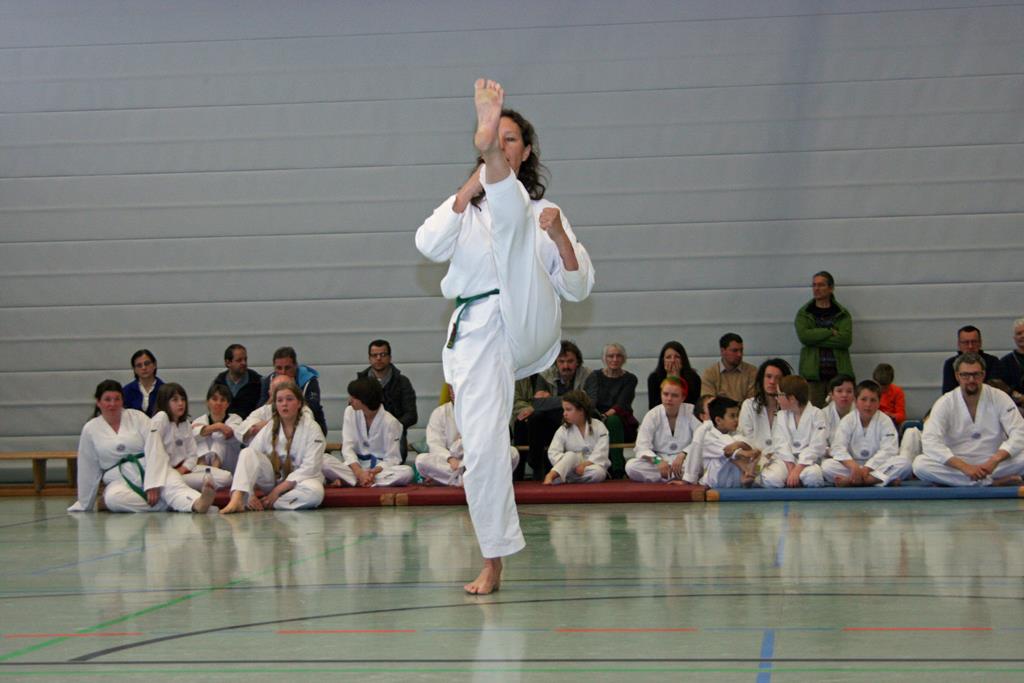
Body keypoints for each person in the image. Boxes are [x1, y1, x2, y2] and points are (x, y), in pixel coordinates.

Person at [414, 79, 594, 594]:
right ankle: (492, 557)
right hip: (479, 327)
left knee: (517, 222)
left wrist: (557, 236)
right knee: (483, 447)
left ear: (527, 150)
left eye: (508, 139)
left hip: (530, 314)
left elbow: (579, 287)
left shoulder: (543, 212)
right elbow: (427, 245)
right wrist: (467, 191)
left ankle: (493, 165)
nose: (505, 143)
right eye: (496, 139)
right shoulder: (465, 210)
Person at [68, 380, 215, 513]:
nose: (113, 404)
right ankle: (170, 504)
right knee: (113, 498)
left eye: (117, 399)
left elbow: (154, 446)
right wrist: (85, 502)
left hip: (149, 466)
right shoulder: (91, 429)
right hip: (119, 477)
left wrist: (153, 482)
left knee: (171, 484)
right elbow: (88, 466)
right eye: (107, 399)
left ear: (122, 400)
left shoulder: (137, 418)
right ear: (98, 402)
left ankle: (197, 503)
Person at [914, 353, 1024, 486]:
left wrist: (995, 459)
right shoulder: (945, 402)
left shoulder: (999, 397)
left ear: (983, 375)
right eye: (965, 375)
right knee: (920, 465)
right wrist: (964, 467)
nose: (971, 380)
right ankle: (990, 482)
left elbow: (1019, 432)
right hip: (958, 464)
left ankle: (966, 482)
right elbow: (930, 441)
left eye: (976, 374)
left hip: (994, 463)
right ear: (957, 376)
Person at [221, 380, 326, 513]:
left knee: (315, 493)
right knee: (247, 452)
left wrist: (277, 492)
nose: (284, 404)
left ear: (299, 403)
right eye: (280, 400)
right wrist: (251, 494)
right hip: (273, 479)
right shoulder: (270, 427)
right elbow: (251, 459)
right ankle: (237, 500)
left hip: (300, 481)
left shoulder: (312, 428)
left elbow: (310, 468)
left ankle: (271, 503)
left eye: (289, 399)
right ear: (275, 405)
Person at [416, 385, 519, 487]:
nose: (455, 392)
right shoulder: (439, 413)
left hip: (479, 461)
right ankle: (472, 479)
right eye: (452, 388)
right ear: (450, 391)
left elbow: (491, 442)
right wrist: (450, 458)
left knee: (512, 453)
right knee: (421, 460)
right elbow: (434, 444)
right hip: (452, 464)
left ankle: (457, 479)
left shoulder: (483, 411)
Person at [326, 378, 414, 488]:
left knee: (407, 472)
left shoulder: (391, 423)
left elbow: (392, 458)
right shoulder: (350, 412)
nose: (350, 400)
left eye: (354, 397)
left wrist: (373, 472)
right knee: (324, 460)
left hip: (378, 471)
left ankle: (357, 480)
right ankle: (362, 480)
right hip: (355, 467)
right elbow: (347, 448)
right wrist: (359, 472)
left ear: (365, 399)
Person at [823, 380, 910, 486]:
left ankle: (853, 481)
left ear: (879, 402)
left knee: (904, 463)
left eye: (873, 400)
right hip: (853, 466)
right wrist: (853, 466)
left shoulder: (885, 421)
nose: (868, 404)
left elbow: (889, 450)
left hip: (877, 466)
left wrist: (868, 467)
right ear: (855, 401)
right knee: (827, 466)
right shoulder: (848, 420)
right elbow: (838, 448)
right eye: (863, 399)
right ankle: (878, 480)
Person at [147, 383, 232, 491]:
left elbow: (192, 455)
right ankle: (180, 486)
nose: (180, 403)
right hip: (165, 474)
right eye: (175, 400)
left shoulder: (185, 424)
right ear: (164, 402)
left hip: (185, 471)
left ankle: (184, 485)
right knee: (207, 480)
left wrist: (183, 469)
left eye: (183, 399)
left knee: (227, 477)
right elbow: (153, 452)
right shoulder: (161, 418)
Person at [625, 376, 701, 483]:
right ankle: (678, 476)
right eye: (665, 394)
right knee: (631, 466)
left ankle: (665, 477)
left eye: (674, 395)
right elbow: (642, 446)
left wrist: (683, 454)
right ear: (661, 394)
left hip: (685, 460)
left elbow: (701, 439)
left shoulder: (692, 411)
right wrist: (658, 461)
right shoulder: (652, 415)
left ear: (683, 397)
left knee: (700, 464)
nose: (669, 399)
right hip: (659, 460)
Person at [794, 271, 853, 407]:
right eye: (814, 285)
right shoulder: (804, 313)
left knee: (840, 414)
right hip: (813, 378)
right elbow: (805, 337)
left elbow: (845, 340)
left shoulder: (842, 313)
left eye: (821, 285)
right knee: (813, 414)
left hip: (838, 376)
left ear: (831, 288)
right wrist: (829, 332)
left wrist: (815, 338)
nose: (816, 288)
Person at [757, 375, 827, 488]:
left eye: (779, 394)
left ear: (792, 399)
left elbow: (817, 445)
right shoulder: (781, 415)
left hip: (807, 462)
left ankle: (796, 481)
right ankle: (793, 480)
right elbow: (780, 444)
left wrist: (798, 469)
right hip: (786, 461)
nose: (777, 398)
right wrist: (791, 469)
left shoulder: (817, 414)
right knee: (771, 479)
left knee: (813, 476)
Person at [357, 339, 418, 462]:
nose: (378, 358)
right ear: (369, 359)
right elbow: (354, 411)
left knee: (397, 462)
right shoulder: (360, 383)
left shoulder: (402, 382)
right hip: (366, 434)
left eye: (383, 354)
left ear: (390, 357)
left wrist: (391, 426)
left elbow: (411, 415)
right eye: (374, 355)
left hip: (393, 433)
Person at [583, 342, 638, 478]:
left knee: (613, 421)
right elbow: (590, 398)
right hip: (596, 416)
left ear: (624, 359)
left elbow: (622, 403)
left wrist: (604, 416)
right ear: (604, 358)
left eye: (618, 356)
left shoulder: (630, 379)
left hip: (620, 420)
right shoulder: (594, 376)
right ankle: (594, 465)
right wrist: (597, 416)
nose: (615, 359)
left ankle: (617, 467)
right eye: (610, 356)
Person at [681, 397, 759, 488]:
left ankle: (745, 474)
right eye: (732, 416)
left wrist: (739, 444)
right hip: (712, 482)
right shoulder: (706, 433)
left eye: (737, 415)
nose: (736, 419)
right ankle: (745, 468)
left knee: (737, 440)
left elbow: (750, 448)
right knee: (723, 454)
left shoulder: (737, 432)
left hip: (734, 482)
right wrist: (741, 451)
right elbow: (727, 450)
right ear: (718, 420)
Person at [543, 390, 610, 485]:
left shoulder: (599, 426)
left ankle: (564, 477)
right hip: (569, 467)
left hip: (589, 467)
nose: (564, 414)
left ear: (581, 410)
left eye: (568, 409)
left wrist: (584, 465)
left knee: (598, 473)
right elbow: (553, 452)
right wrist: (571, 463)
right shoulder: (563, 429)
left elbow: (601, 452)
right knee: (571, 455)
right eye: (564, 410)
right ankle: (552, 475)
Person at [257, 346, 327, 435]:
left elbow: (313, 408)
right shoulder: (269, 381)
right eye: (279, 368)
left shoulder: (309, 381)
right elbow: (260, 409)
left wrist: (293, 390)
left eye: (287, 368)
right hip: (276, 426)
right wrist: (272, 397)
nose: (283, 372)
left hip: (310, 426)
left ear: (295, 366)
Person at [738, 358, 793, 454]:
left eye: (778, 378)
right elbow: (745, 439)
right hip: (755, 458)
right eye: (768, 376)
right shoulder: (749, 406)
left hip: (784, 459)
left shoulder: (791, 408)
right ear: (761, 379)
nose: (772, 381)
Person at [192, 383, 244, 473]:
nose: (218, 403)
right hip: (205, 461)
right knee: (200, 441)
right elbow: (194, 435)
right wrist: (219, 426)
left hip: (229, 465)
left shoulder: (236, 419)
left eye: (222, 400)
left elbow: (227, 433)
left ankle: (213, 472)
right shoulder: (200, 420)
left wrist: (207, 430)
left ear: (228, 404)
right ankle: (202, 470)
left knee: (219, 440)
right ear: (208, 402)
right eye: (214, 399)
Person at [700, 333, 757, 409]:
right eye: (735, 350)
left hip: (745, 414)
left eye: (741, 350)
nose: (739, 354)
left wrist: (723, 401)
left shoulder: (752, 372)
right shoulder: (710, 373)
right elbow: (708, 404)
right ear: (722, 351)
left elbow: (752, 403)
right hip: (718, 415)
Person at [940, 325, 1003, 394]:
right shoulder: (950, 364)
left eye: (974, 342)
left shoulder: (992, 362)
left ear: (980, 343)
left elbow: (994, 390)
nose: (970, 346)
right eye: (966, 342)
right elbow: (948, 392)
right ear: (959, 344)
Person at [212, 344, 263, 419]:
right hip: (225, 424)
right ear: (228, 363)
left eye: (245, 359)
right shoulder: (219, 383)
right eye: (239, 360)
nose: (244, 363)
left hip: (250, 423)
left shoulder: (257, 382)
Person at [647, 341, 701, 412]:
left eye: (677, 357)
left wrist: (677, 379)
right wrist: (669, 379)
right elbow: (653, 407)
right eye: (668, 357)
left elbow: (694, 405)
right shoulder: (654, 378)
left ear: (683, 359)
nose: (672, 360)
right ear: (663, 360)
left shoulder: (694, 378)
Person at [122, 349, 165, 417]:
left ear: (154, 365)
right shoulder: (126, 391)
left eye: (147, 363)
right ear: (134, 369)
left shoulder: (165, 390)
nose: (144, 368)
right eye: (139, 365)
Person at [822, 374, 855, 451]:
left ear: (854, 395)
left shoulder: (861, 413)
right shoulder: (823, 414)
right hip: (830, 455)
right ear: (831, 395)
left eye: (849, 391)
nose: (844, 395)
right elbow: (819, 442)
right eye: (839, 391)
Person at [998, 318, 1024, 408]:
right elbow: (1002, 386)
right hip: (1016, 407)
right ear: (1014, 338)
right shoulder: (1005, 362)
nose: (1022, 336)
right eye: (1019, 333)